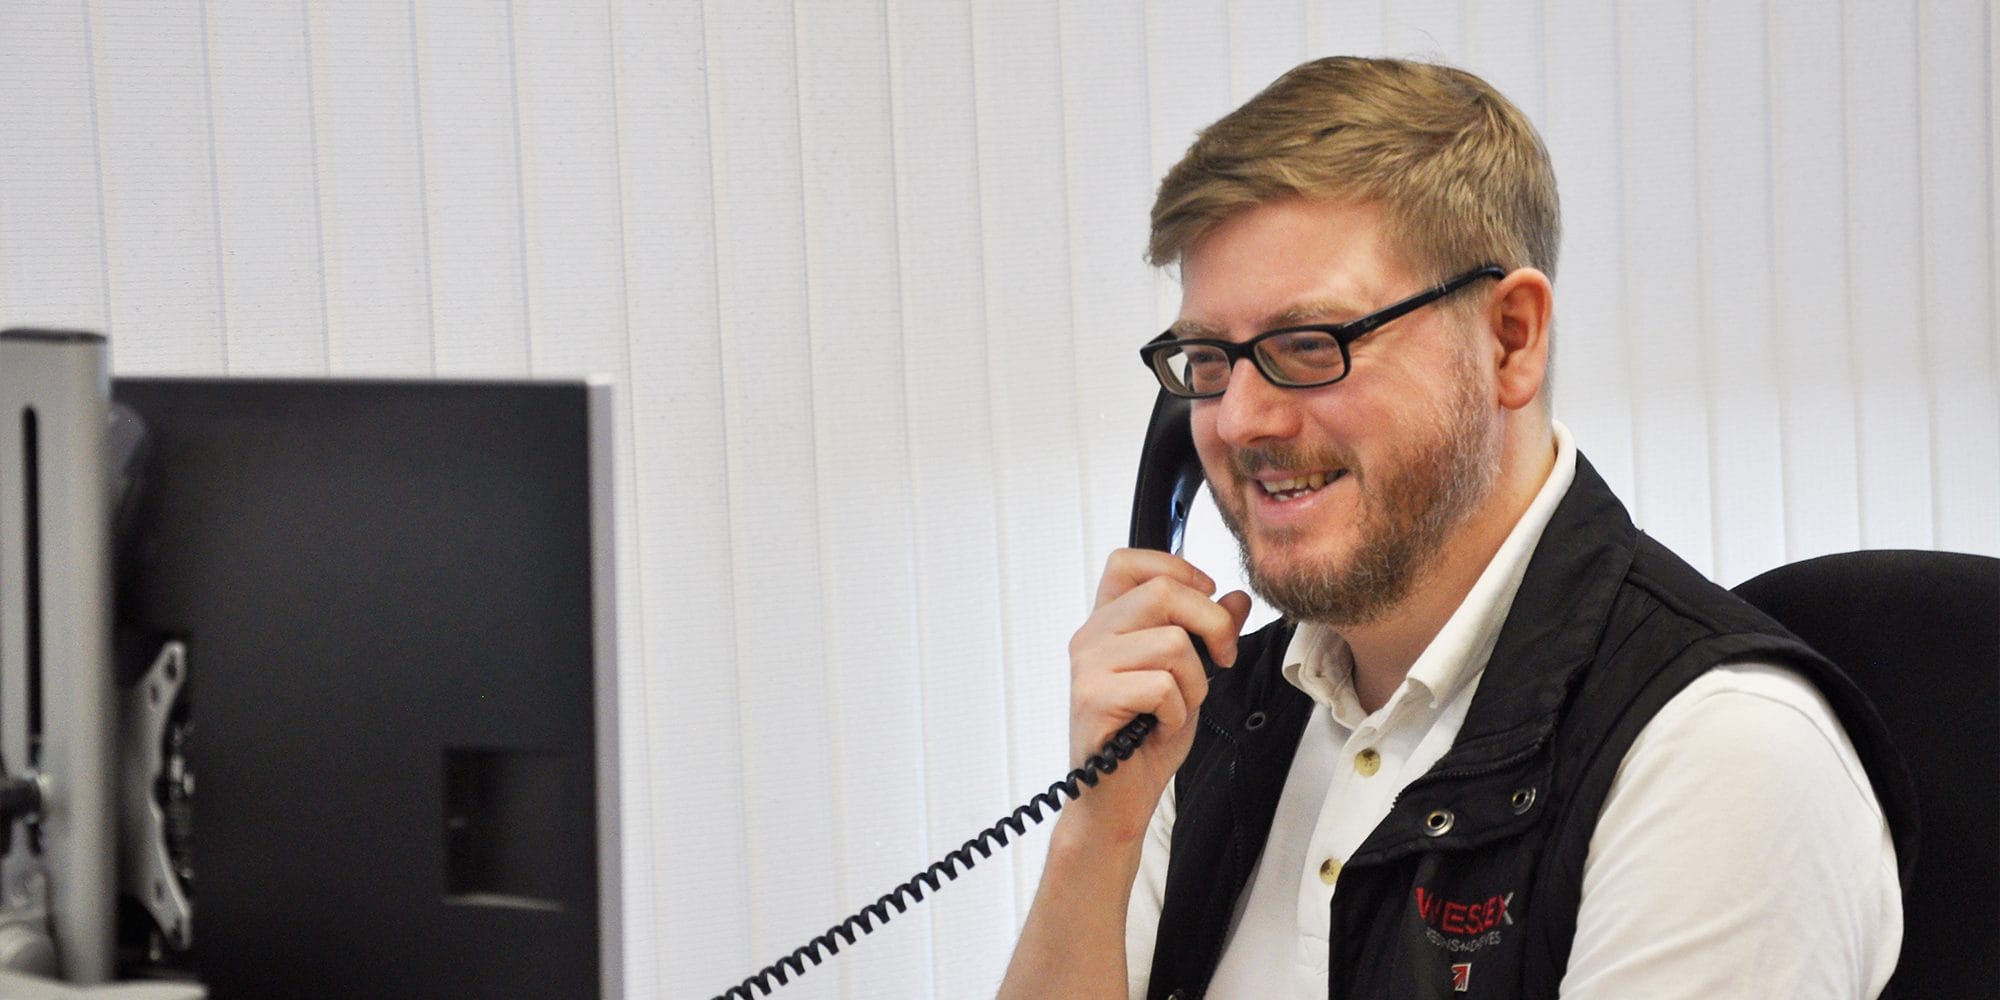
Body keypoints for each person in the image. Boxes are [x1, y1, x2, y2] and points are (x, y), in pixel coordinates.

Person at [998, 56, 1913, 1000]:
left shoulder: (1720, 756)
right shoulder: (1213, 718)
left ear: (1510, 339)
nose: (1237, 421)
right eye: (1208, 359)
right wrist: (1096, 832)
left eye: (1309, 345)